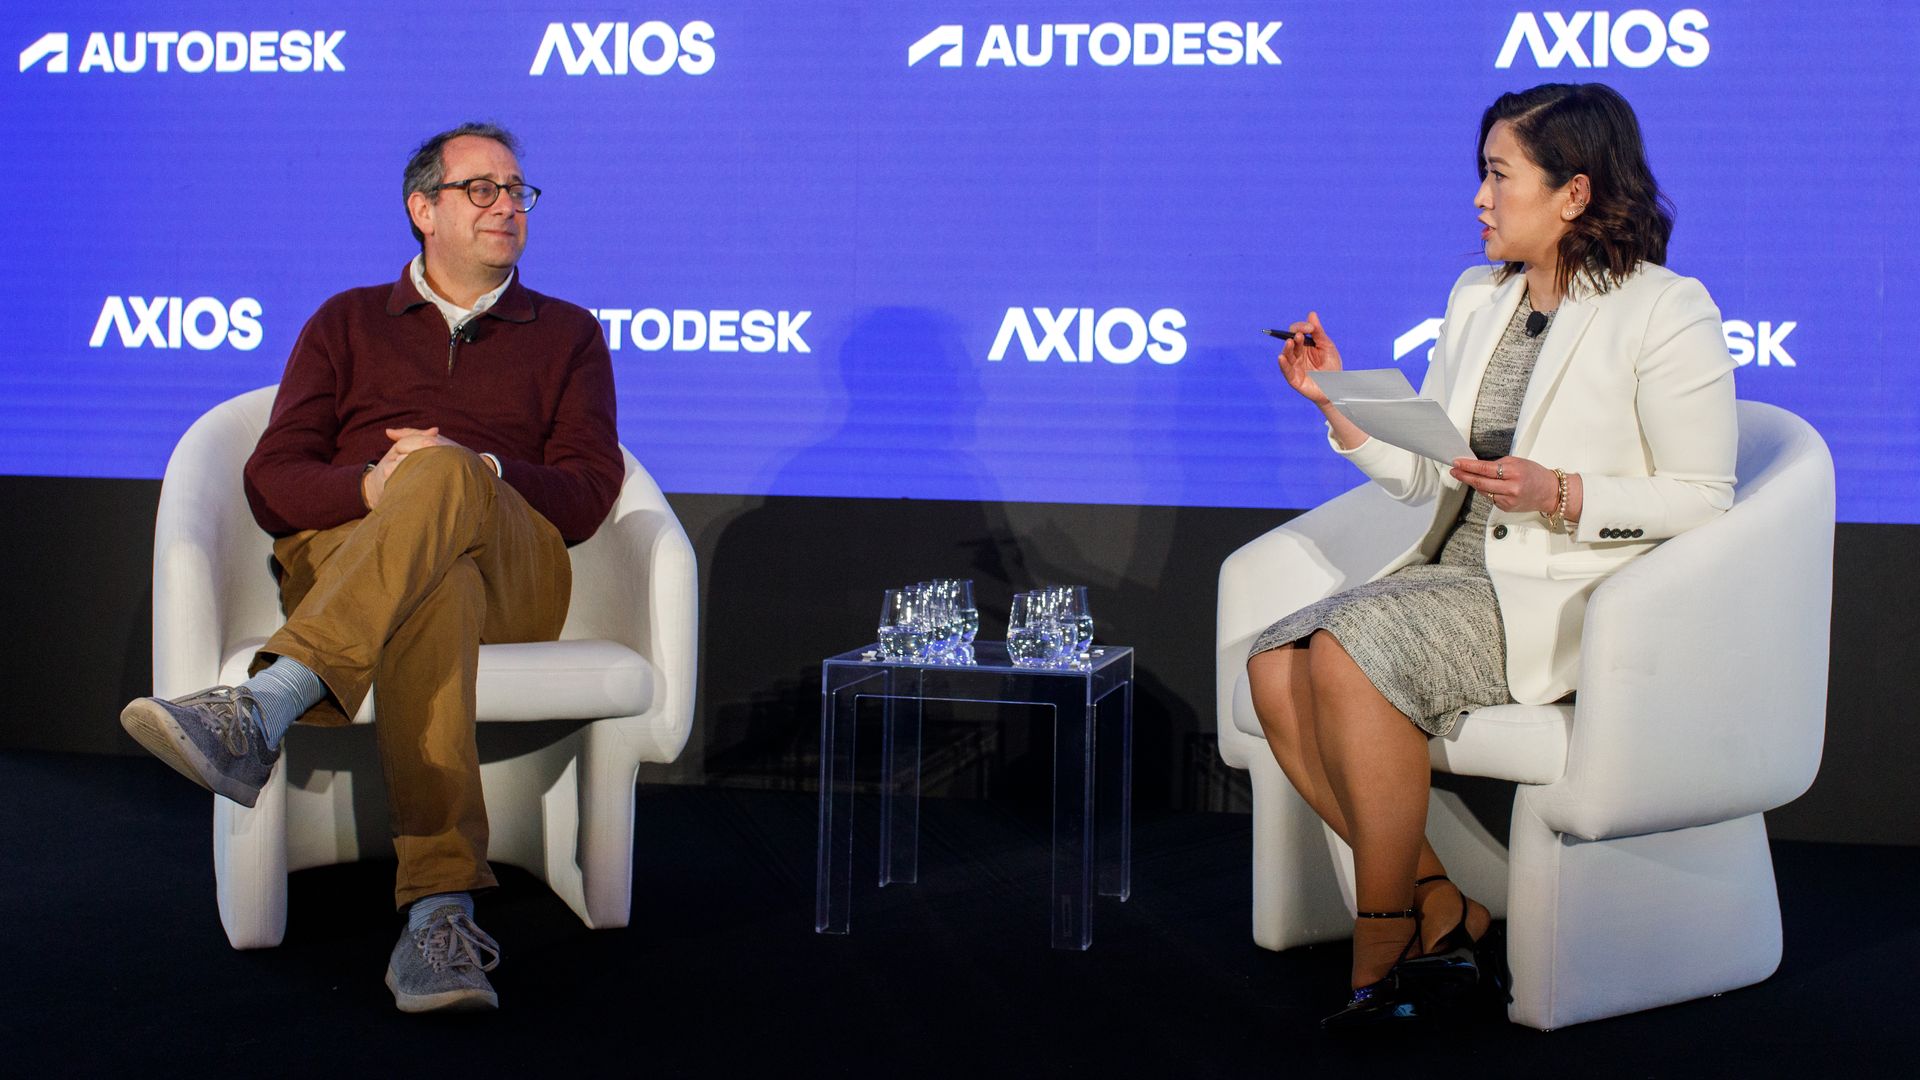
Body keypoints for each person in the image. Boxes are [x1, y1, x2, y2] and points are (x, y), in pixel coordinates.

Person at [1248, 83, 1736, 1028]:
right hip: (1450, 572)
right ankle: (1443, 905)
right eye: (1483, 172)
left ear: (1576, 194)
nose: (1479, 197)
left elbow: (1703, 495)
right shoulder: (1479, 296)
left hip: (1557, 593)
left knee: (1347, 650)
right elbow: (1433, 471)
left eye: (1498, 174)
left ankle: (1382, 946)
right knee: (1275, 663)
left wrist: (1564, 491)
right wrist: (1338, 405)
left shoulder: (1663, 308)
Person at [119, 122, 623, 1013]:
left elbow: (586, 495)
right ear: (421, 209)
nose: (508, 206)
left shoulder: (569, 334)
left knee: (444, 475)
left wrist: (474, 470)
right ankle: (438, 915)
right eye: (483, 190)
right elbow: (272, 482)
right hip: (363, 562)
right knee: (436, 587)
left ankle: (265, 705)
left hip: (519, 568)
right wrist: (369, 484)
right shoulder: (346, 321)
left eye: (517, 191)